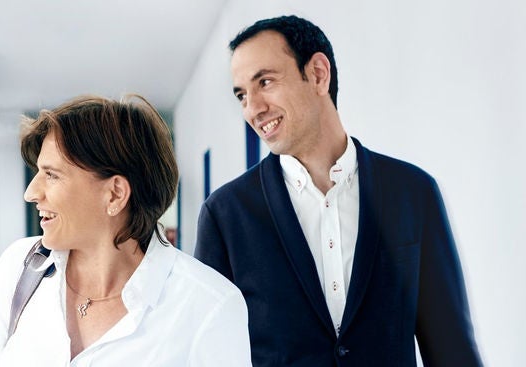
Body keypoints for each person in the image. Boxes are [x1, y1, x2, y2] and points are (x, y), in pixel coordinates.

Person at [195, 15, 482, 366]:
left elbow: (453, 350)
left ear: (317, 73)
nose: (253, 109)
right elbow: (209, 355)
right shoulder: (224, 215)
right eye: (242, 95)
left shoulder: (413, 193)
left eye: (265, 82)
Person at [0, 95, 250, 366]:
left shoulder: (210, 306)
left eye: (51, 175)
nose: (31, 193)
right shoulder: (19, 267)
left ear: (114, 194)